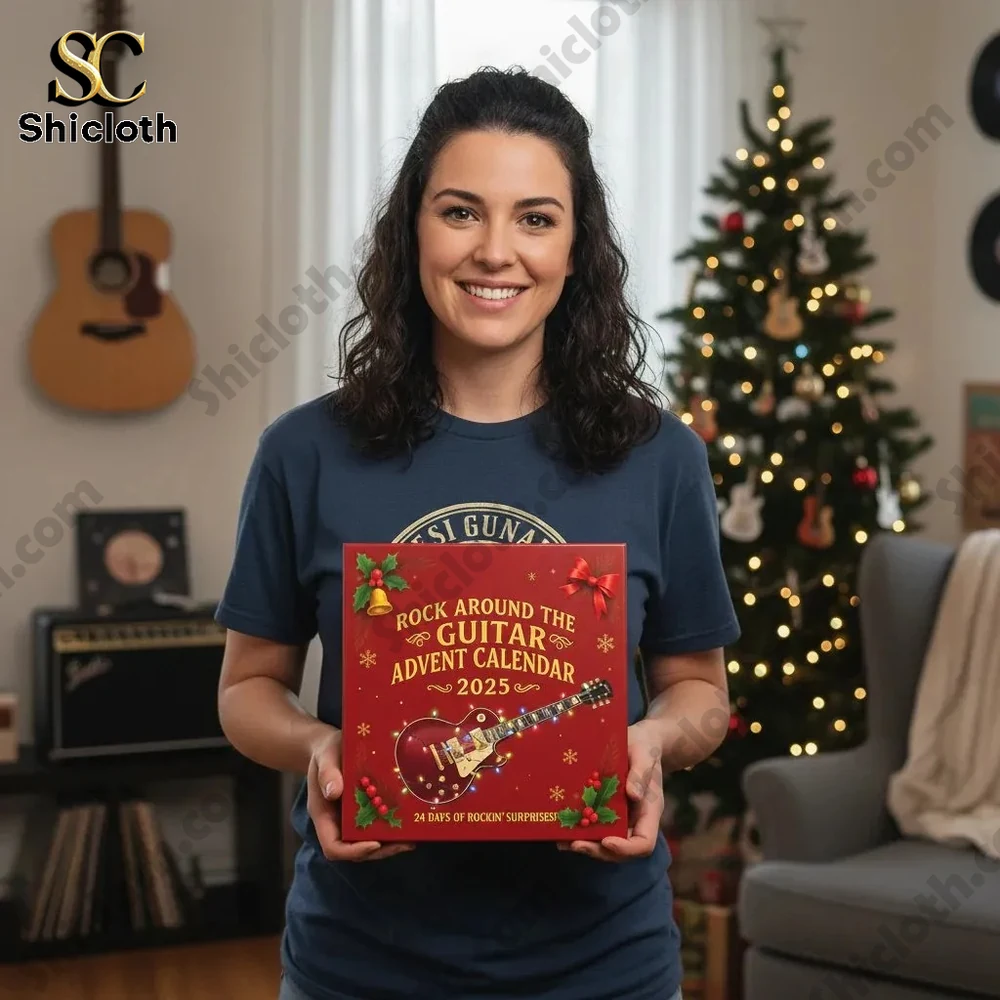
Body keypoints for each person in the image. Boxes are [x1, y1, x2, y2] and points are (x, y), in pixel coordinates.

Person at [216, 66, 740, 1000]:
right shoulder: (304, 451)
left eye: (536, 218)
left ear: (577, 249)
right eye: (461, 211)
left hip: (604, 964)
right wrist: (321, 748)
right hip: (359, 964)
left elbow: (699, 693)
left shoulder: (661, 458)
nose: (496, 251)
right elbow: (248, 688)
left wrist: (654, 743)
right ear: (412, 228)